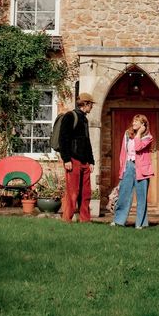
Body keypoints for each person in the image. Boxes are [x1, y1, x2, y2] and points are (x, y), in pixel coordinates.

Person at [111, 114, 153, 229]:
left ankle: (141, 224)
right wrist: (122, 169)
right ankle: (119, 220)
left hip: (142, 169)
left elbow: (138, 147)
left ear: (143, 124)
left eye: (136, 121)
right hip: (129, 166)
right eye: (133, 121)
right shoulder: (127, 134)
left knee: (141, 196)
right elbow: (123, 153)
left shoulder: (148, 137)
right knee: (124, 195)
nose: (133, 123)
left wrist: (139, 134)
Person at [61, 92, 95, 222]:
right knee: (73, 192)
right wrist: (66, 159)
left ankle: (85, 220)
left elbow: (87, 141)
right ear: (86, 104)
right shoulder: (70, 116)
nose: (92, 107)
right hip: (73, 159)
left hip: (85, 161)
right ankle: (67, 219)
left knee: (86, 193)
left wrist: (91, 161)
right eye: (91, 104)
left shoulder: (84, 119)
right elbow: (63, 139)